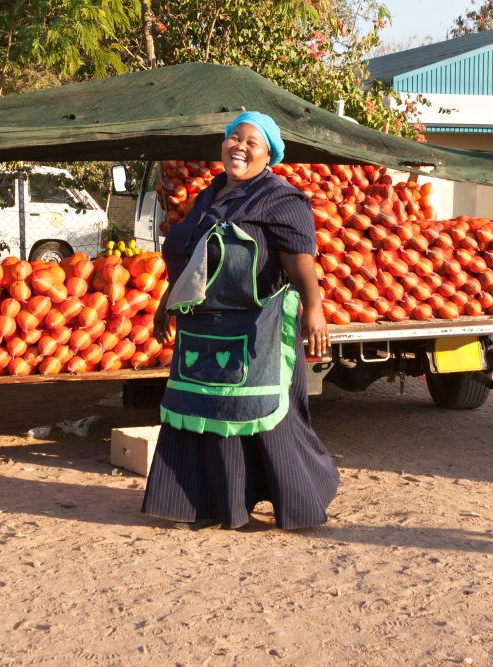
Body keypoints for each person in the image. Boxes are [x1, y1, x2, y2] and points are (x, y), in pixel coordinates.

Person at [141, 111, 339, 531]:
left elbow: (299, 258)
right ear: (223, 144)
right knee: (207, 411)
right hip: (206, 326)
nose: (240, 147)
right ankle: (213, 504)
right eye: (235, 138)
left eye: (252, 142)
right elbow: (193, 262)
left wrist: (314, 308)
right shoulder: (207, 196)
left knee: (270, 420)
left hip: (260, 328)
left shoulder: (281, 197)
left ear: (268, 154)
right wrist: (166, 303)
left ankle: (301, 500)